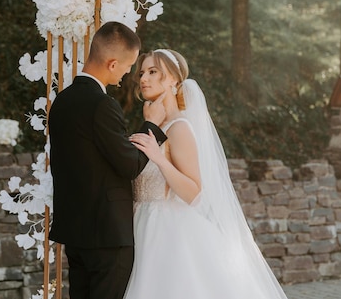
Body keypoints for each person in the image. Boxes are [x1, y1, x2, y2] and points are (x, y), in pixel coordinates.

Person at [125, 49, 289, 299]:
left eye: (153, 71)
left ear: (173, 81)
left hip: (167, 232)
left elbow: (194, 193)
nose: (143, 78)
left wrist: (158, 158)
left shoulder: (178, 128)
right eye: (143, 72)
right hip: (142, 225)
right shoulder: (154, 126)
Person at [48, 22, 168, 299]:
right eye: (128, 66)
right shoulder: (101, 105)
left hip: (76, 233)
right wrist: (151, 126)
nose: (129, 73)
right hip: (107, 236)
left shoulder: (62, 101)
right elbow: (129, 165)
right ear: (113, 64)